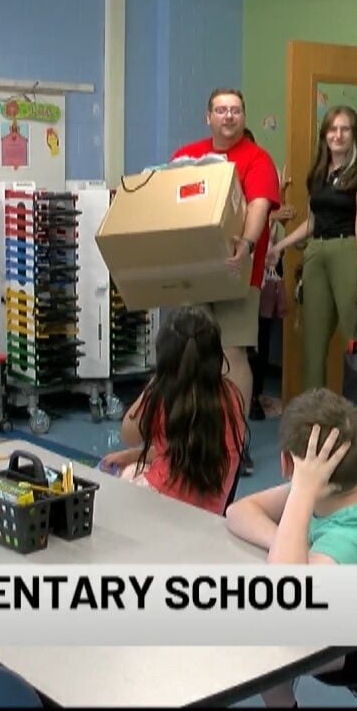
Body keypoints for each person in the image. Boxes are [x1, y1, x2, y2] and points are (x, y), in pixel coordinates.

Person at [224, 388, 357, 707]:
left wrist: (302, 495)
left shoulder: (353, 535)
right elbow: (238, 512)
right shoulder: (344, 484)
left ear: (285, 464)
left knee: (268, 638)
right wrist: (283, 540)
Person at [268, 105, 357, 448]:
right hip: (316, 254)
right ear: (325, 135)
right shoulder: (319, 172)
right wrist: (280, 248)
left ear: (355, 135)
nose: (338, 135)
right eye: (332, 129)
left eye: (346, 129)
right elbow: (311, 222)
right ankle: (313, 425)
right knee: (313, 343)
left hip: (349, 252)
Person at [171, 89, 282, 421]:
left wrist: (246, 243)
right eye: (221, 110)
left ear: (244, 116)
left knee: (232, 352)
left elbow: (259, 205)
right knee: (191, 351)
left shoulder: (257, 159)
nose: (228, 116)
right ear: (209, 117)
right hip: (194, 271)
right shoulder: (186, 157)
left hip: (239, 272)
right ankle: (193, 430)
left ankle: (236, 436)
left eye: (235, 110)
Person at [99, 307, 246, 516]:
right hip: (210, 514)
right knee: (131, 466)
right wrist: (133, 455)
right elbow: (187, 450)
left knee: (116, 481)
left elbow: (128, 434)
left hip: (165, 510)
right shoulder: (232, 399)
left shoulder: (162, 396)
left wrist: (156, 382)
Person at [249, 157, 296, 422]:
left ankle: (254, 396)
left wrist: (276, 215)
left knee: (261, 339)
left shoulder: (265, 189)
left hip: (264, 278)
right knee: (245, 343)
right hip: (240, 277)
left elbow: (276, 237)